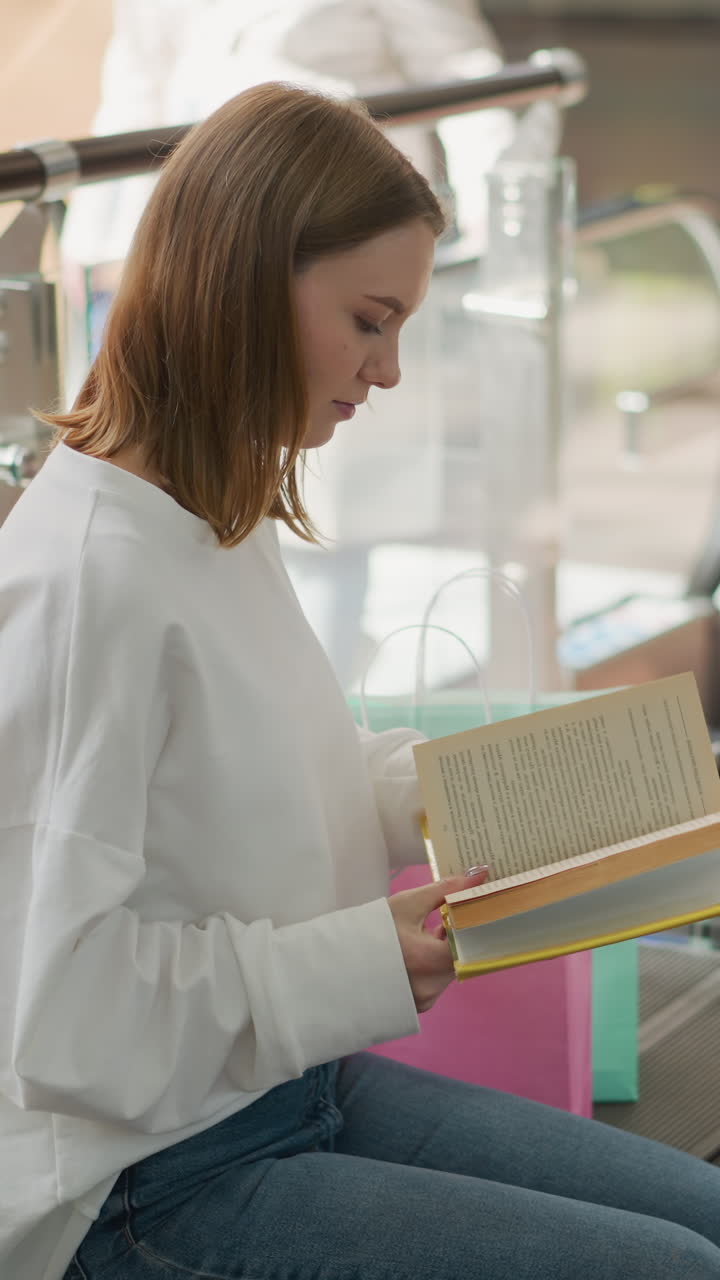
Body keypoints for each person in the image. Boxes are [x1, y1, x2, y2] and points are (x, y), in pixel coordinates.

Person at [0, 84, 718, 1280]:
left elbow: (243, 776)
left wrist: (481, 788)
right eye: (370, 320)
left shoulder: (207, 517)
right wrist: (363, 957)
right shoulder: (88, 582)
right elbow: (63, 1015)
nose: (386, 371)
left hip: (281, 1088)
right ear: (241, 282)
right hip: (133, 1180)